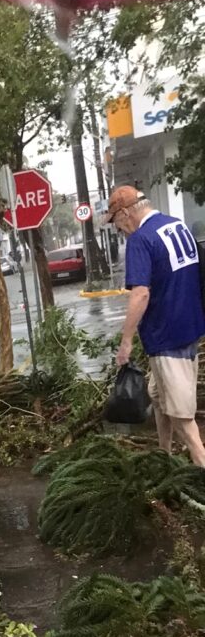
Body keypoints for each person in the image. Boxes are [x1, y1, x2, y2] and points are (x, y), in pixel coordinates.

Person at [107, 185, 205, 468]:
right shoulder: (177, 226)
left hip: (166, 337)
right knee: (159, 397)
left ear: (125, 213)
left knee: (182, 418)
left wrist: (126, 342)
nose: (119, 230)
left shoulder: (141, 239)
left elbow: (141, 294)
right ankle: (164, 457)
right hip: (189, 329)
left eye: (116, 223)